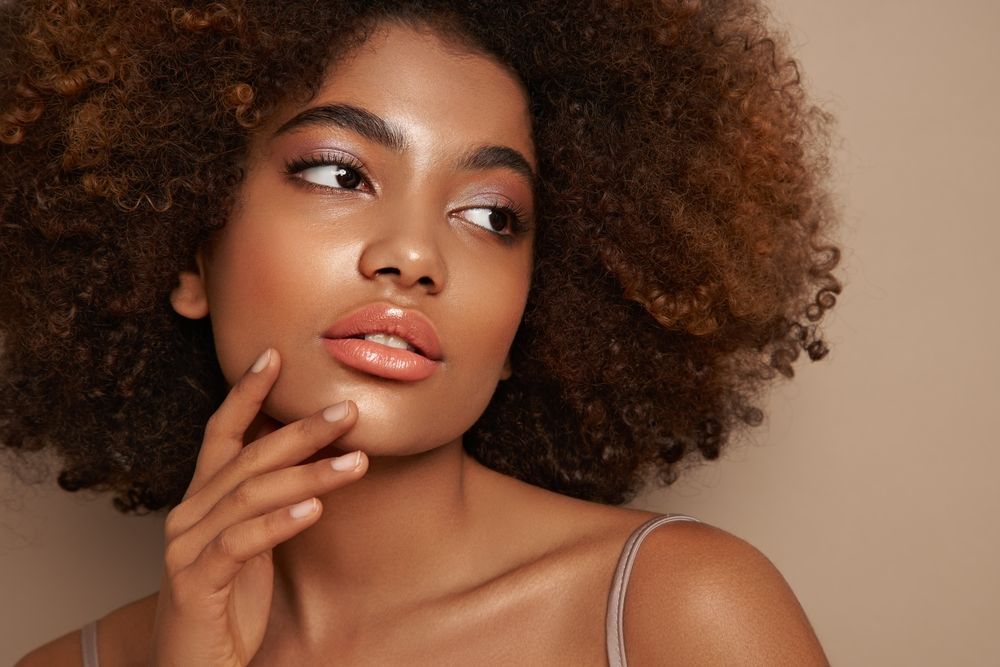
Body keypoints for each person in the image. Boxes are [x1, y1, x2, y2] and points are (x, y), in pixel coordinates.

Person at [2, 0, 841, 664]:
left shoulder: (679, 609)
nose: (413, 255)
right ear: (188, 251)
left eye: (489, 215)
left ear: (526, 318)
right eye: (339, 172)